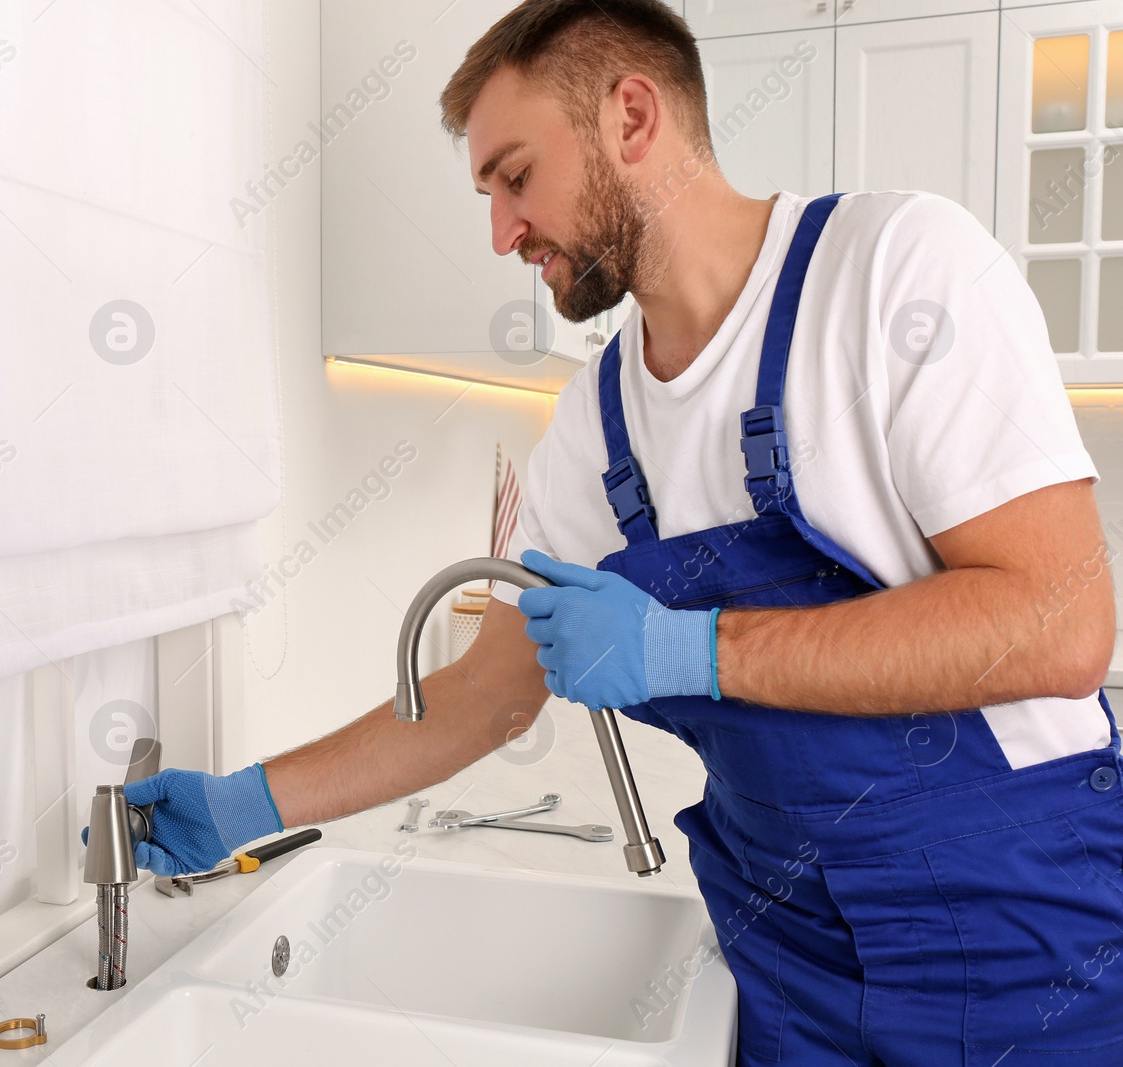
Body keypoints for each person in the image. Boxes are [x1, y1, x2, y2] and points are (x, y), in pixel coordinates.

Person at [110, 1, 1123, 1061]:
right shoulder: (595, 424)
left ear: (630, 117)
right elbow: (482, 695)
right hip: (783, 953)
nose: (501, 232)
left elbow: (1056, 623)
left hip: (1019, 937)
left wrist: (690, 648)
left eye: (514, 176)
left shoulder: (892, 271)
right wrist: (246, 803)